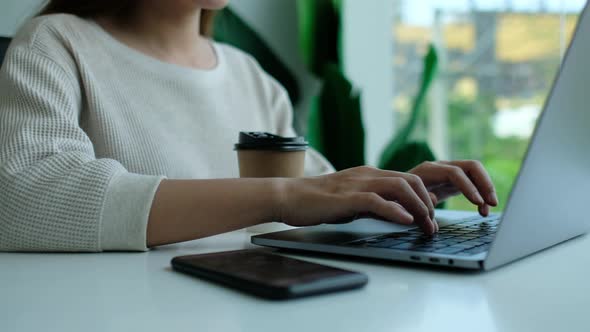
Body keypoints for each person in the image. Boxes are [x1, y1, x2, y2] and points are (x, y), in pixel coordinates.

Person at [0, 0, 498, 252]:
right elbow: (21, 198)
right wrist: (277, 195)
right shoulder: (56, 44)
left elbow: (320, 194)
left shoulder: (252, 78)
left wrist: (392, 194)